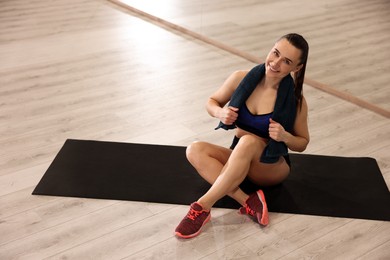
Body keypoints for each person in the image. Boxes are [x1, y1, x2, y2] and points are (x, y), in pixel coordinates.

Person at [175, 33, 310, 239]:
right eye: (275, 53)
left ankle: (202, 208)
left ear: (297, 68)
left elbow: (302, 143)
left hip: (270, 166)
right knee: (195, 149)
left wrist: (285, 136)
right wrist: (220, 112)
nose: (275, 63)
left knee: (248, 141)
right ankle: (248, 201)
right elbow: (212, 101)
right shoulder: (241, 78)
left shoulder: (296, 100)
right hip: (239, 156)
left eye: (287, 61)